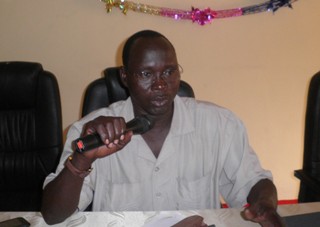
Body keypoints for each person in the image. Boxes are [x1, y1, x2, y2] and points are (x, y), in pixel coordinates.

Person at [41, 30, 284, 226]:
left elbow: (254, 182)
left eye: (169, 71)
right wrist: (81, 162)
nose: (160, 84)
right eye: (146, 73)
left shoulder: (219, 124)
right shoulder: (88, 132)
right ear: (125, 77)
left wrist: (265, 204)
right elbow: (54, 215)